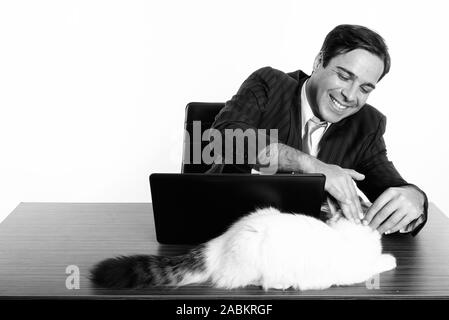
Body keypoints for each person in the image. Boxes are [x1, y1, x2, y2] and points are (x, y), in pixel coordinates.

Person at [208, 24, 427, 236]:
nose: (350, 96)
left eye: (365, 88)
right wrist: (312, 166)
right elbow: (225, 139)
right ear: (319, 61)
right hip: (222, 234)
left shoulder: (367, 124)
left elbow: (391, 188)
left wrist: (415, 198)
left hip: (304, 256)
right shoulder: (270, 84)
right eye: (343, 76)